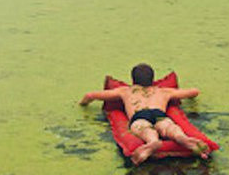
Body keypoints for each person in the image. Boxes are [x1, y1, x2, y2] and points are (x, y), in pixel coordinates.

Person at [80, 63, 209, 165]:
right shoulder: (163, 91)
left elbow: (90, 95)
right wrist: (192, 97)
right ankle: (182, 138)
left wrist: (82, 104)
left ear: (133, 79)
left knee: (146, 130)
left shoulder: (125, 91)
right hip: (159, 114)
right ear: (152, 80)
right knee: (169, 128)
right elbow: (194, 92)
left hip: (140, 116)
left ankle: (153, 142)